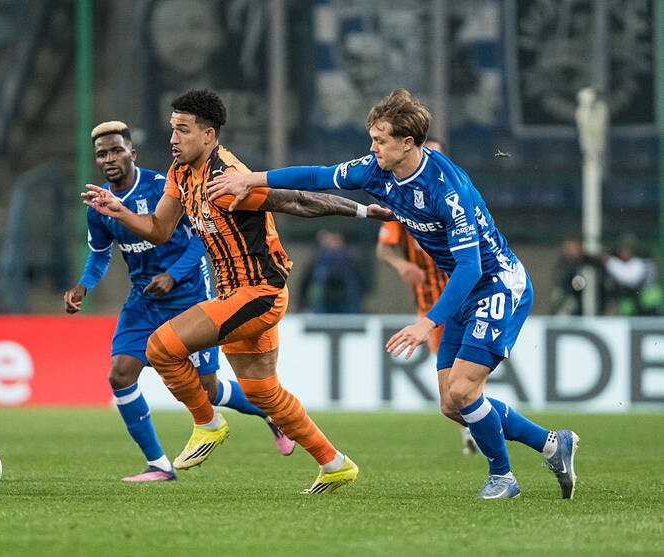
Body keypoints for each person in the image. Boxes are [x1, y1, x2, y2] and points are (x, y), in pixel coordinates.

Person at [207, 88, 580, 500]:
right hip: (463, 289)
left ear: (407, 143)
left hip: (498, 284)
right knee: (451, 404)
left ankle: (503, 478)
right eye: (372, 139)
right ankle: (552, 444)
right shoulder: (375, 170)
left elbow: (472, 266)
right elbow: (317, 176)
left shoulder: (447, 191)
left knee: (463, 391)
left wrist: (427, 323)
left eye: (380, 140)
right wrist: (251, 178)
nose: (372, 148)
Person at [83, 89, 391, 493]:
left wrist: (363, 210)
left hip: (259, 292)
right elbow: (159, 230)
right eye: (172, 129)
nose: (173, 139)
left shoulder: (228, 178)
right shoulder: (179, 173)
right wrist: (120, 211)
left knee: (160, 348)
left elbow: (297, 201)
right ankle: (334, 464)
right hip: (234, 295)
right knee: (263, 392)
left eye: (183, 130)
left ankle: (208, 423)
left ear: (209, 135)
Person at [65, 120, 295, 483]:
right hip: (143, 299)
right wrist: (83, 286)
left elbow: (202, 236)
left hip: (189, 294)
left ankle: (272, 412)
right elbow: (100, 254)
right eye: (101, 154)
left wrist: (173, 274)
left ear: (132, 153)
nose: (109, 159)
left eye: (116, 150)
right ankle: (158, 464)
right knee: (120, 374)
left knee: (208, 389)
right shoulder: (99, 205)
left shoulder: (163, 187)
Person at [375, 137, 477, 455]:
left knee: (465, 372)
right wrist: (402, 265)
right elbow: (383, 248)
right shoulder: (402, 202)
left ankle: (479, 430)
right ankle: (474, 427)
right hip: (430, 302)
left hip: (467, 298)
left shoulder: (454, 197)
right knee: (451, 388)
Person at [299, 229, 364, 313]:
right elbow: (305, 284)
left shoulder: (350, 259)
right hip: (322, 304)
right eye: (330, 240)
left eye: (336, 240)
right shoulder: (317, 260)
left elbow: (360, 283)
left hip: (346, 305)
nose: (333, 244)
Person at [549, 237, 604, 316]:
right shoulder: (563, 265)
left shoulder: (591, 264)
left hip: (589, 308)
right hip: (569, 306)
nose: (570, 251)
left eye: (573, 248)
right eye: (567, 248)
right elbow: (561, 284)